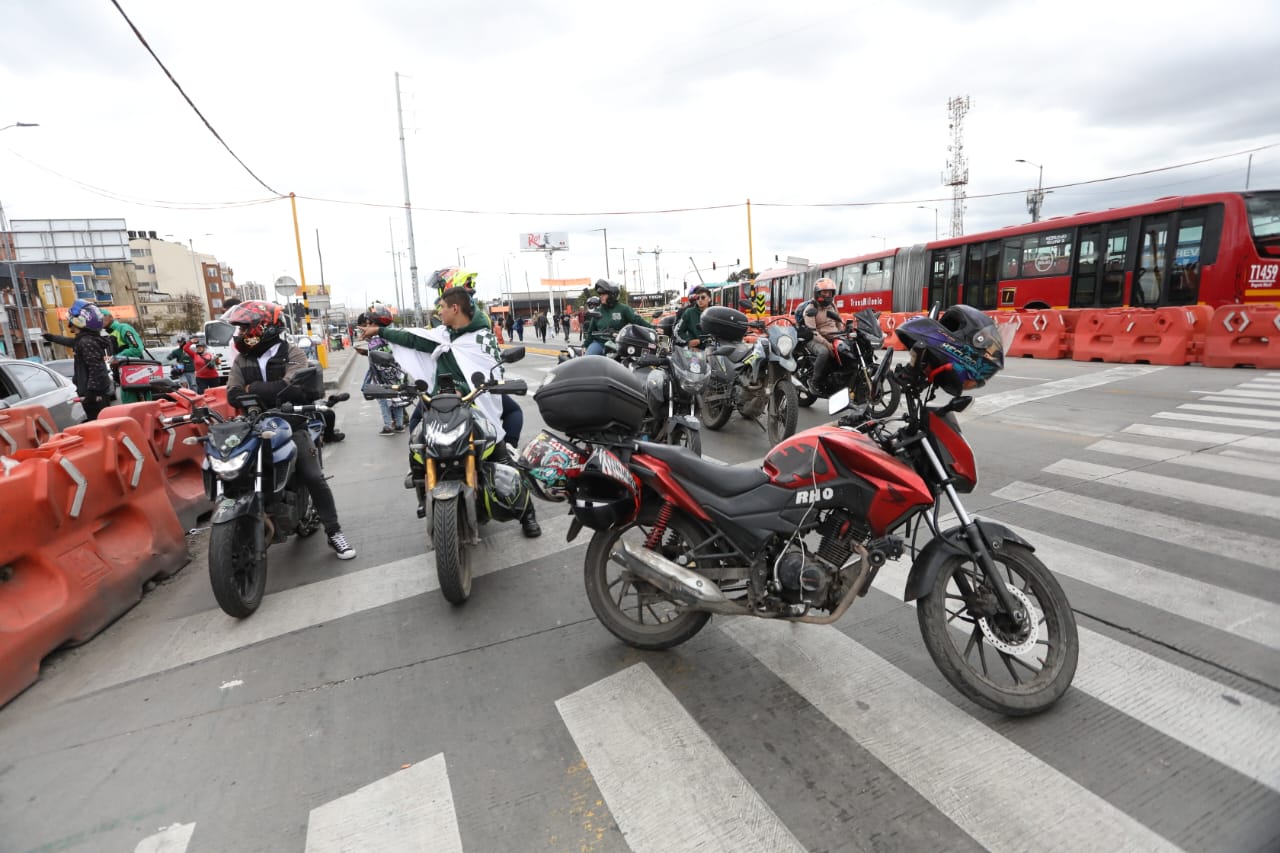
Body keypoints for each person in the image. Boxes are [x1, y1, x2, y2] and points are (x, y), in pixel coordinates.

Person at [363, 285, 540, 537]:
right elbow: (411, 338)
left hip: (475, 401)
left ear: (455, 308)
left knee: (501, 454)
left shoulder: (481, 338)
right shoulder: (443, 335)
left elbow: (491, 371)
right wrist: (380, 330)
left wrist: (465, 388)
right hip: (440, 402)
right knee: (417, 440)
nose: (439, 312)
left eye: (442, 308)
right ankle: (422, 489)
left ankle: (527, 514)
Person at [223, 300, 356, 560]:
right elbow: (232, 393)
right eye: (239, 329)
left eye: (245, 328)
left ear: (265, 327)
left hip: (290, 422)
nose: (241, 334)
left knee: (312, 475)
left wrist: (253, 390)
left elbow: (293, 389)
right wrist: (259, 392)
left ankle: (334, 532)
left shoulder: (292, 352)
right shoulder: (242, 359)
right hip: (253, 426)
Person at [42, 299, 114, 421]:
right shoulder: (86, 339)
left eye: (71, 321)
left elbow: (95, 368)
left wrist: (91, 392)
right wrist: (52, 338)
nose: (69, 324)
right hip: (95, 393)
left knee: (97, 426)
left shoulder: (86, 341)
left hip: (94, 395)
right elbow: (71, 342)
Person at [355, 305, 407, 435]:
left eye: (368, 324)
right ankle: (400, 425)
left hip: (381, 377)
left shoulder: (375, 339)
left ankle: (388, 426)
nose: (366, 327)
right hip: (395, 374)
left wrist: (365, 350)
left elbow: (374, 355)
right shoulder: (391, 335)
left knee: (383, 400)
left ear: (374, 324)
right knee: (397, 399)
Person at [583, 279, 652, 356]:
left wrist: (653, 329)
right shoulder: (598, 311)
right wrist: (585, 346)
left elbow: (637, 320)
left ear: (612, 294)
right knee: (588, 359)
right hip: (600, 343)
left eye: (604, 294)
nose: (601, 296)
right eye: (600, 294)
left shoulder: (623, 309)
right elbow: (590, 332)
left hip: (619, 343)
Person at [802, 278, 843, 391]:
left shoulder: (832, 306)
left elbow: (838, 322)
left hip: (833, 337)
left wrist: (843, 335)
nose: (827, 295)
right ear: (817, 293)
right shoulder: (811, 308)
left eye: (829, 293)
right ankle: (814, 382)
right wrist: (826, 344)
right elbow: (812, 331)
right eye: (824, 292)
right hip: (815, 339)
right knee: (824, 352)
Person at [102, 308, 149, 403]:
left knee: (139, 409)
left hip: (135, 376)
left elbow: (137, 349)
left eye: (102, 317)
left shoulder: (123, 328)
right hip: (124, 377)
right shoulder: (110, 334)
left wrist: (116, 358)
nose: (100, 320)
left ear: (110, 317)